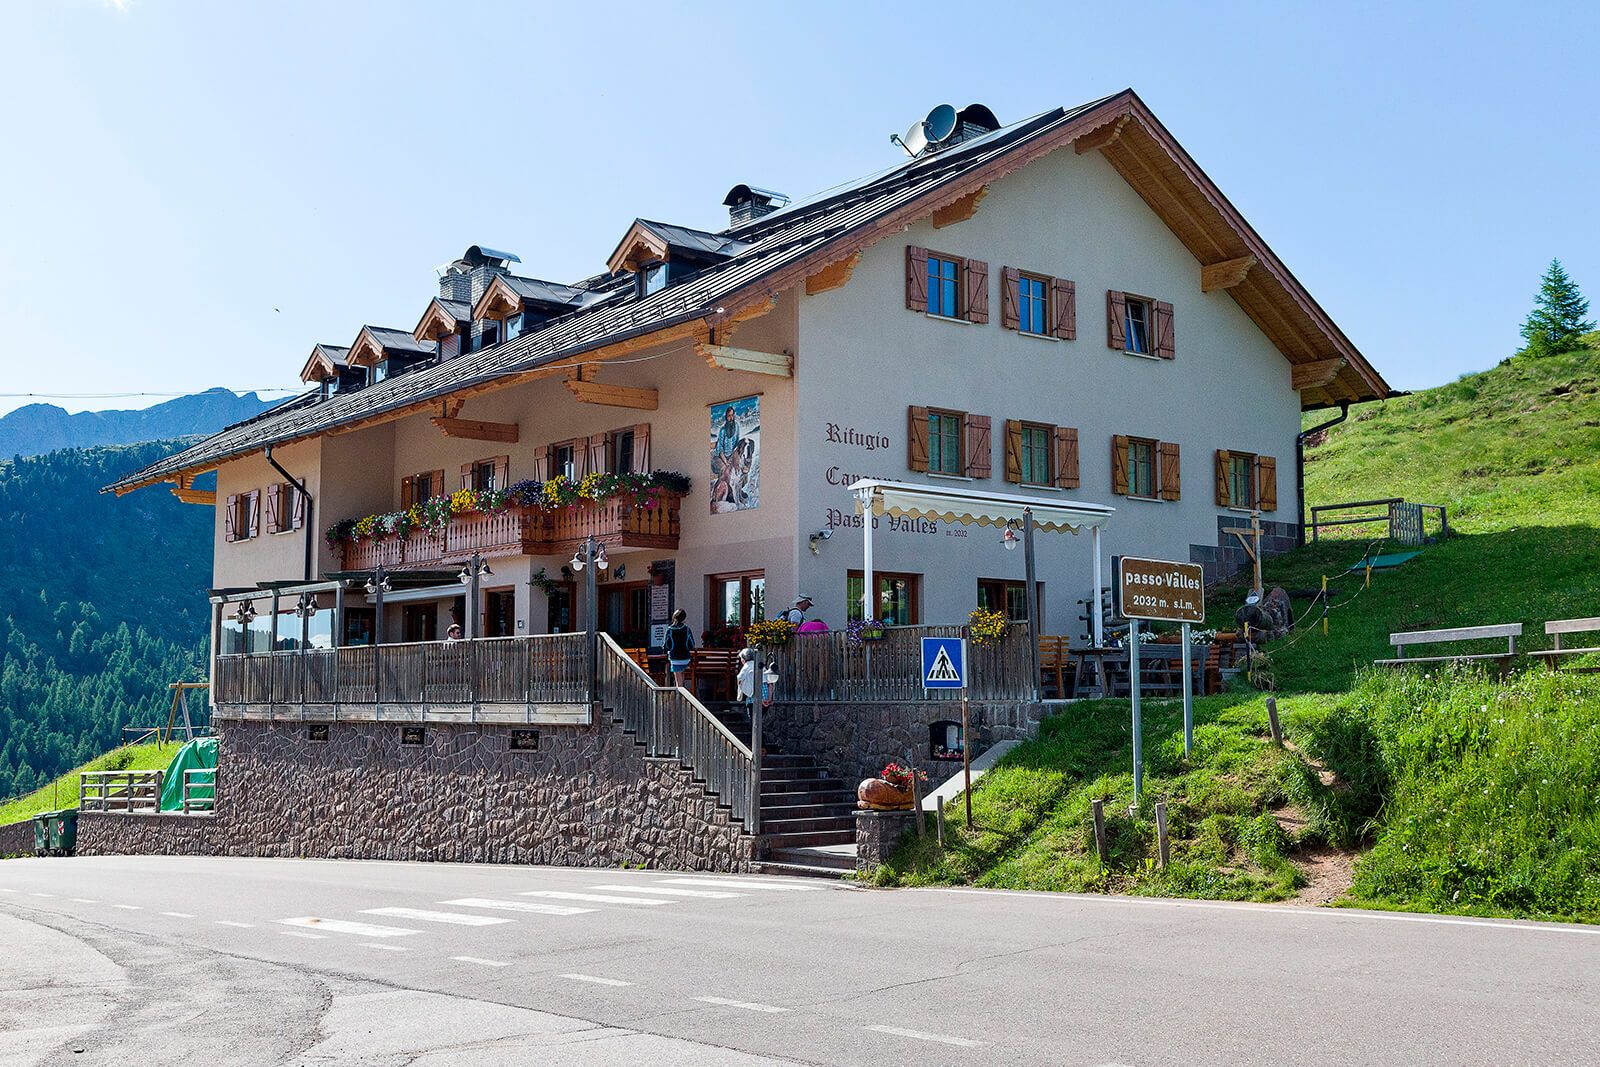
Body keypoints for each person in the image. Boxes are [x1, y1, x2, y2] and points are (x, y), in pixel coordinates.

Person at [664, 608, 694, 688]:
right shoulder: (687, 629)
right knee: (682, 676)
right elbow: (691, 644)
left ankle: (680, 691)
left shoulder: (670, 630)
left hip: (675, 658)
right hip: (685, 657)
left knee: (678, 681)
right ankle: (682, 690)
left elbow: (667, 645)